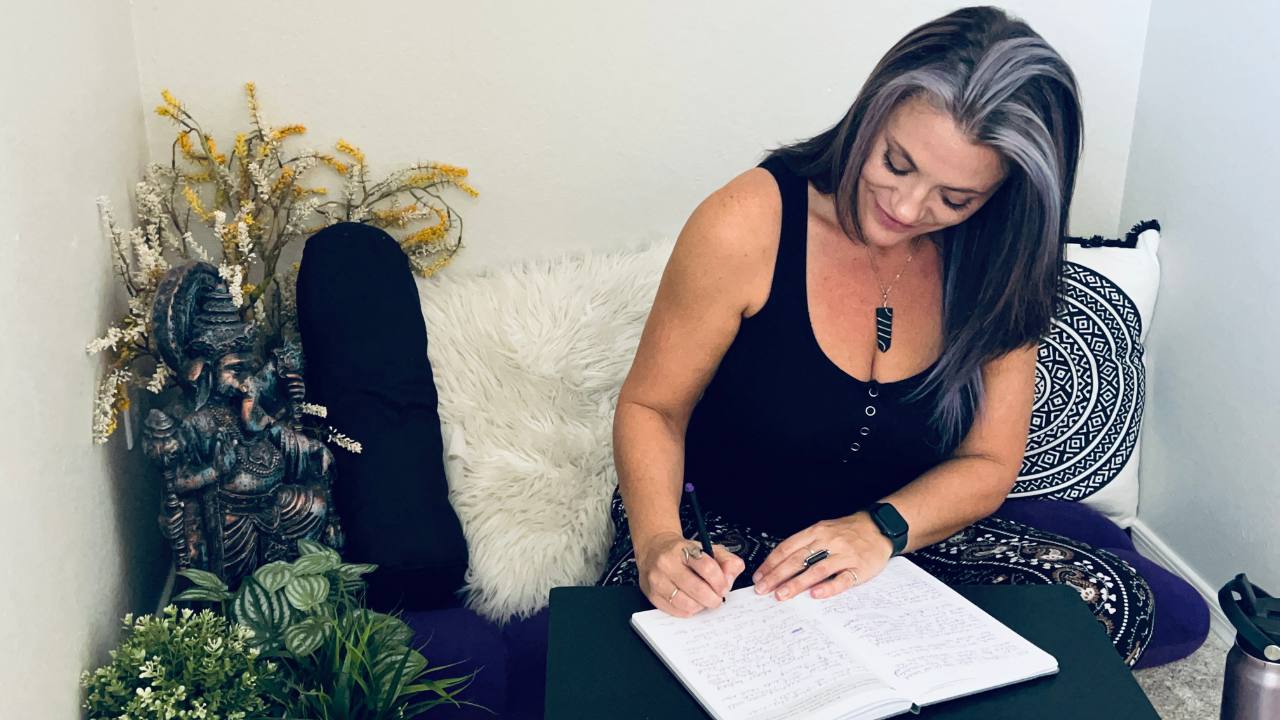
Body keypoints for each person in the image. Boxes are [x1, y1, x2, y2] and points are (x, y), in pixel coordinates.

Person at [600, 6, 1154, 665]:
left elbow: (988, 462)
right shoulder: (747, 221)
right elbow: (652, 408)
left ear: (1002, 195)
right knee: (641, 662)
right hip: (721, 531)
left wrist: (880, 530)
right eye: (896, 162)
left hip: (895, 540)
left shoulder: (999, 261)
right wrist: (659, 543)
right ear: (872, 112)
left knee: (1111, 598)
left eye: (955, 199)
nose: (907, 207)